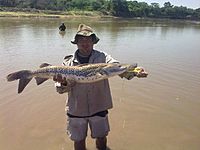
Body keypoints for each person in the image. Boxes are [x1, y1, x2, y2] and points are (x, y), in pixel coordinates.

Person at [53, 24, 147, 150]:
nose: (85, 42)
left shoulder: (103, 57)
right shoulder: (67, 63)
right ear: (76, 42)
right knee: (79, 141)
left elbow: (116, 67)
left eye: (88, 40)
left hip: (99, 106)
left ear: (93, 42)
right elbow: (60, 89)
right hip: (76, 108)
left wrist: (134, 72)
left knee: (101, 139)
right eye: (81, 39)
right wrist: (62, 83)